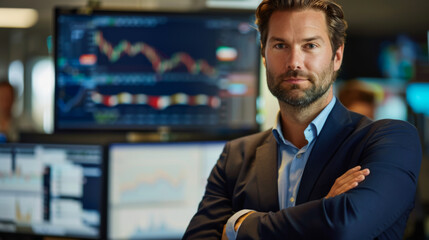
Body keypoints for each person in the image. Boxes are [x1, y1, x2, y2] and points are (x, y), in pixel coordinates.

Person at [183, 0, 422, 239]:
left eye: (310, 45)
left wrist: (239, 225)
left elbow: (343, 226)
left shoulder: (390, 140)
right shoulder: (236, 157)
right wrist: (323, 213)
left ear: (336, 56)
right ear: (264, 56)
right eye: (280, 45)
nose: (294, 62)